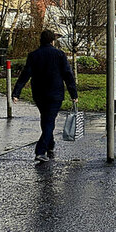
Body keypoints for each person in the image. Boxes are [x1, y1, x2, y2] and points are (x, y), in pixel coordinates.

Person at [12, 29, 79, 163]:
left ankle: (50, 144)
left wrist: (16, 92)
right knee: (49, 121)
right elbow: (67, 74)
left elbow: (26, 74)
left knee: (46, 119)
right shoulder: (59, 55)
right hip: (55, 93)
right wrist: (73, 93)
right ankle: (40, 151)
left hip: (39, 93)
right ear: (52, 40)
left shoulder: (33, 55)